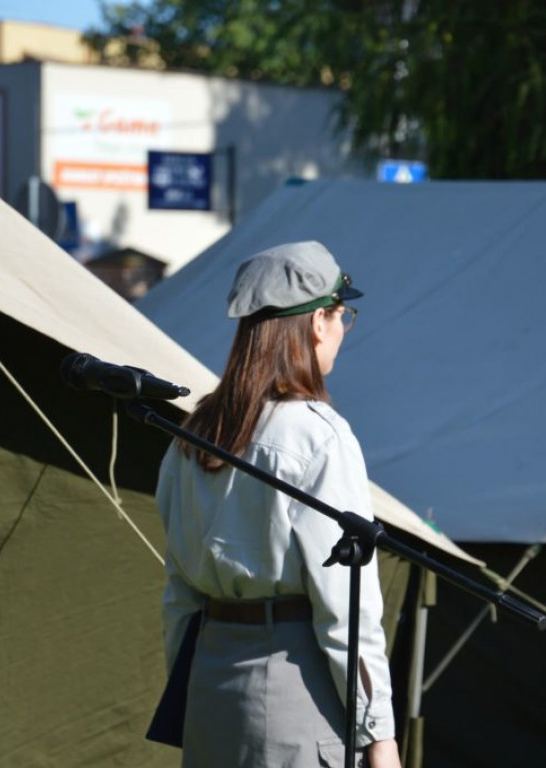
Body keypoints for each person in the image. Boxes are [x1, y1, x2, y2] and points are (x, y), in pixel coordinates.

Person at [156, 241, 401, 767]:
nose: (341, 332)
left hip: (209, 683)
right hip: (293, 687)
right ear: (318, 322)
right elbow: (346, 606)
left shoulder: (195, 432)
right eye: (343, 317)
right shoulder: (318, 436)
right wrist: (379, 732)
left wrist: (195, 684)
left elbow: (178, 590)